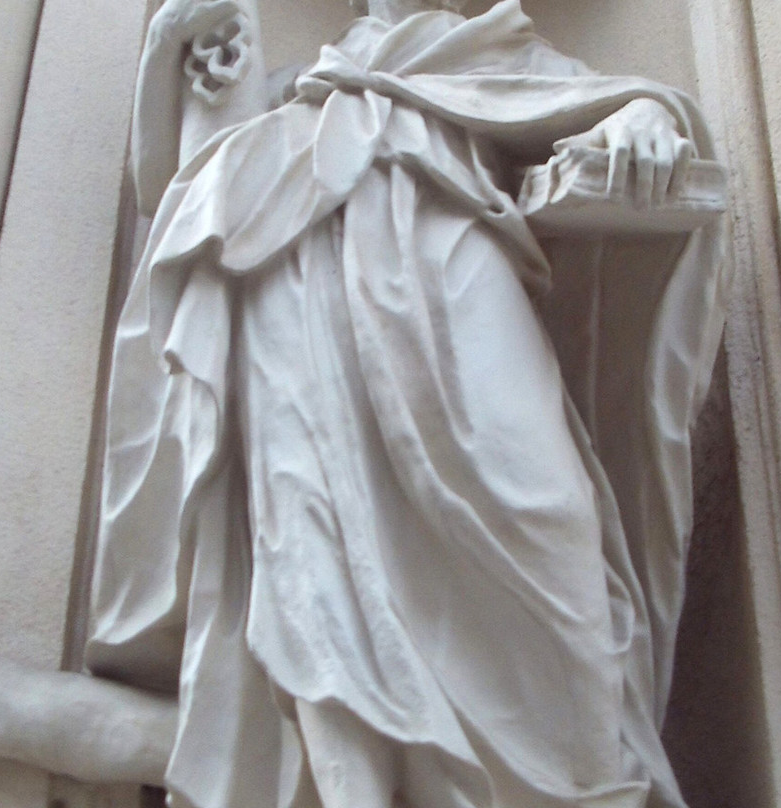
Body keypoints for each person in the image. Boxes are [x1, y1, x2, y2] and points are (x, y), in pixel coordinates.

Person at [85, 1, 729, 806]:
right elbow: (176, 190)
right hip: (305, 335)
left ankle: (586, 783)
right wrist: (166, 45)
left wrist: (645, 120)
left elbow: (620, 107)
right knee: (323, 578)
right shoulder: (304, 87)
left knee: (552, 518)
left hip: (459, 294)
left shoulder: (494, 51)